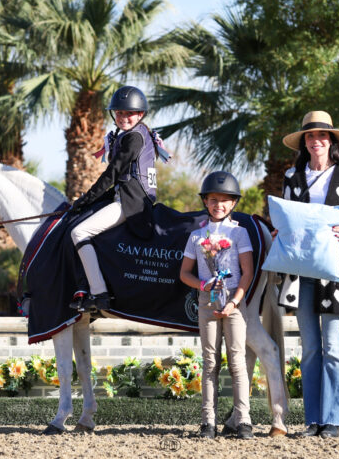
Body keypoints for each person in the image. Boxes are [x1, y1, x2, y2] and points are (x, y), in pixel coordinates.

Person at [280, 110, 339, 439]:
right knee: (310, 348)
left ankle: (334, 420)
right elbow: (286, 218)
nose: (316, 141)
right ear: (304, 141)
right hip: (301, 272)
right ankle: (313, 421)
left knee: (332, 345)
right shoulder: (292, 176)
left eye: (322, 136)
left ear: (331, 141)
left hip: (335, 271)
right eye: (310, 136)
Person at [69, 85, 159, 312]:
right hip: (126, 197)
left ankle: (99, 294)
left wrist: (87, 199)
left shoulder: (134, 138)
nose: (124, 117)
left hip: (132, 203)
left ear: (140, 115)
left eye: (129, 113)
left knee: (79, 232)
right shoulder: (135, 134)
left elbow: (113, 173)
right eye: (119, 113)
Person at [179, 171, 255, 439]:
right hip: (207, 302)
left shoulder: (240, 233)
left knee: (237, 361)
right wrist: (203, 285)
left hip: (234, 301)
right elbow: (184, 273)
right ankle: (208, 421)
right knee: (210, 362)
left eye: (224, 200)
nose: (218, 204)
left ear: (233, 203)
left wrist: (234, 301)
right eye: (213, 200)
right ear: (205, 202)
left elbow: (247, 272)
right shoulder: (196, 237)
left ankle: (243, 419)